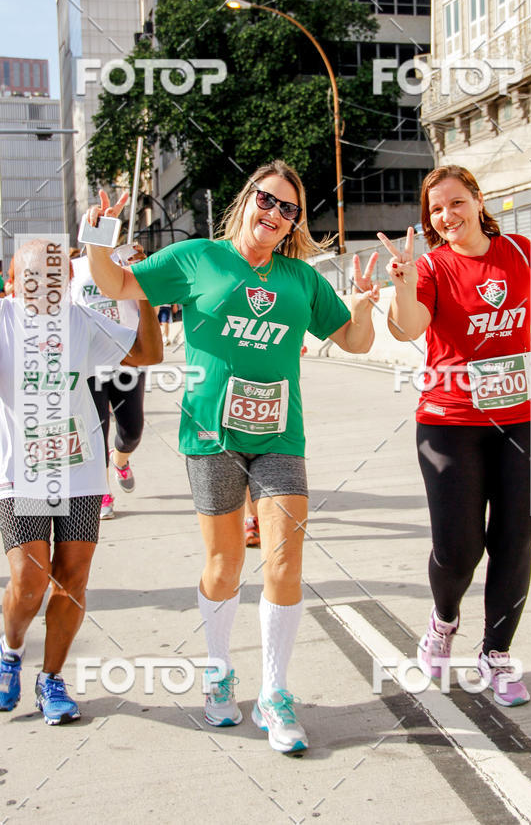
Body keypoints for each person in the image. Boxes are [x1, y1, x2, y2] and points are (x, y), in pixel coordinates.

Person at [85, 159, 379, 752]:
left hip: (279, 436)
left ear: (294, 223)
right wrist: (98, 237)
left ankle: (274, 692)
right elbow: (116, 284)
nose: (275, 213)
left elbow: (353, 340)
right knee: (223, 566)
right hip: (210, 437)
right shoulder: (198, 258)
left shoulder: (301, 279)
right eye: (267, 200)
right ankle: (218, 672)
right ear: (247, 200)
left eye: (289, 209)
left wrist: (367, 305)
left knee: (284, 563)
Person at [378, 165, 531, 707]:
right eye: (435, 209)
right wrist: (402, 285)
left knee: (514, 543)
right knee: (458, 551)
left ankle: (496, 653)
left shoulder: (519, 252)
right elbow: (407, 328)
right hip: (450, 423)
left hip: (525, 419)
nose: (446, 216)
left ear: (479, 201)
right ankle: (443, 620)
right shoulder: (431, 267)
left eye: (456, 202)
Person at [0, 239, 162, 723]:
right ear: (13, 283)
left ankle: (50, 679)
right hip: (21, 474)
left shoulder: (81, 322)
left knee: (71, 579)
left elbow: (148, 353)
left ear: (69, 282)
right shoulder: (3, 322)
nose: (43, 291)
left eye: (54, 281)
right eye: (31, 281)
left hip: (81, 472)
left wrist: (143, 294)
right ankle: (10, 652)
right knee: (30, 580)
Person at [71, 244, 148, 520]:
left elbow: (150, 306)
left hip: (127, 355)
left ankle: (120, 459)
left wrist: (143, 272)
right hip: (90, 361)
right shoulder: (75, 268)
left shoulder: (128, 259)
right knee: (96, 431)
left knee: (132, 431)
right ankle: (102, 489)